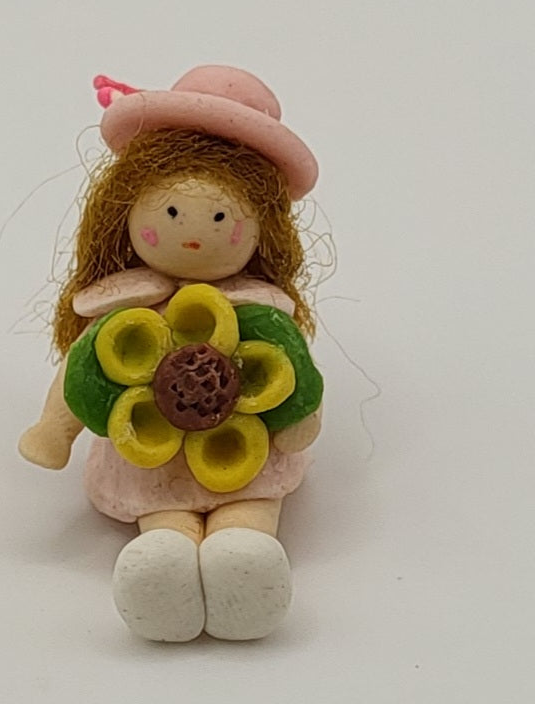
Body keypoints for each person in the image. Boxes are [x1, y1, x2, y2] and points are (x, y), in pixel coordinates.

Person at [19, 65, 323, 642]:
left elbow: (290, 370)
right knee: (163, 513)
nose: (193, 233)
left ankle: (246, 557)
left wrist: (297, 417)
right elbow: (83, 368)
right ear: (124, 215)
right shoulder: (124, 313)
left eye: (219, 218)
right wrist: (54, 430)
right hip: (150, 445)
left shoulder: (258, 313)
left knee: (247, 508)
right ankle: (164, 559)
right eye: (173, 214)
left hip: (241, 448)